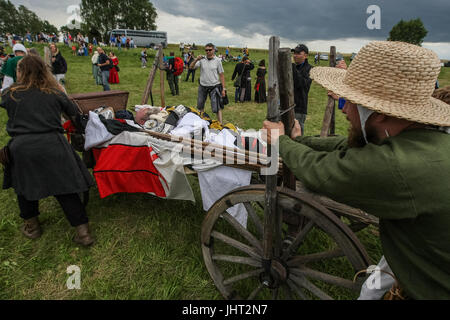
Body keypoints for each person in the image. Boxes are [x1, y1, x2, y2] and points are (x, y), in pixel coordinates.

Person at [263, 41, 450, 300]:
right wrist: (296, 141)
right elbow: (346, 143)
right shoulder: (425, 136)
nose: (346, 109)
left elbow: (322, 172)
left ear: (381, 114)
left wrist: (279, 142)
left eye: (351, 101)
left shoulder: (396, 167)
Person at [0, 55, 95, 246]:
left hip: (22, 147)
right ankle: (83, 233)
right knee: (66, 189)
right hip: (53, 144)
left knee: (25, 188)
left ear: (21, 72)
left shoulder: (10, 93)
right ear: (44, 71)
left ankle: (32, 227)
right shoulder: (55, 93)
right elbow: (75, 115)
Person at [190, 43, 226, 123]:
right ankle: (201, 123)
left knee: (217, 107)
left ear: (214, 50)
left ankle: (220, 124)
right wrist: (196, 59)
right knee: (200, 106)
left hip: (214, 86)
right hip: (203, 86)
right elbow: (191, 67)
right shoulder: (202, 59)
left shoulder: (218, 60)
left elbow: (221, 75)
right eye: (206, 50)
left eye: (210, 50)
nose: (208, 52)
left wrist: (223, 89)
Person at [291, 44, 312, 134]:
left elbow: (301, 84)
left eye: (298, 53)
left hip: (299, 107)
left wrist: (292, 67)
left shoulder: (310, 69)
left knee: (297, 134)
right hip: (286, 105)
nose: (295, 55)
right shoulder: (293, 67)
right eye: (294, 53)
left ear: (305, 55)